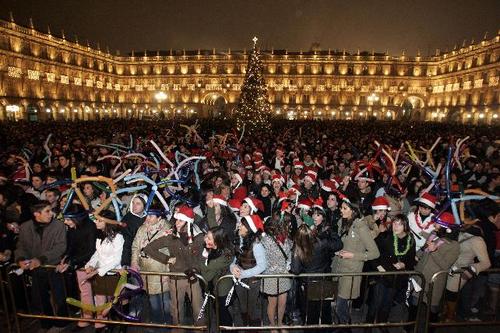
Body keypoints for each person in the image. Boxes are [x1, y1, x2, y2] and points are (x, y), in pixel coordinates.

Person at [143, 205, 205, 325]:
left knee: (198, 310)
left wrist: (197, 269)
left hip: (193, 278)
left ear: (188, 222)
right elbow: (149, 248)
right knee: (176, 310)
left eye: (180, 220)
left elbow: (202, 258)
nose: (176, 222)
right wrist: (166, 259)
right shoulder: (171, 236)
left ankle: (200, 329)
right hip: (176, 278)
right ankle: (178, 329)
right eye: (176, 219)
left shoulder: (199, 237)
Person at [15, 200, 68, 330]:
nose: (51, 214)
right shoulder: (25, 227)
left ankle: (63, 322)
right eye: (47, 211)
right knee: (39, 297)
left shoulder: (58, 226)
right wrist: (20, 259)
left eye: (51, 210)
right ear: (36, 214)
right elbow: (21, 247)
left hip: (53, 266)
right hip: (36, 269)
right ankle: (46, 322)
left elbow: (60, 247)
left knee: (59, 296)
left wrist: (41, 259)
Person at [333, 197, 380, 326]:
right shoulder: (342, 223)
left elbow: (374, 253)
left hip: (351, 272)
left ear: (353, 211)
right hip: (339, 269)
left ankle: (346, 327)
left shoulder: (361, 227)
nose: (341, 210)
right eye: (341, 208)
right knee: (339, 306)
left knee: (340, 307)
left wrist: (352, 255)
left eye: (344, 208)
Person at [410, 212, 460, 325]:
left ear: (446, 228)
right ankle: (409, 328)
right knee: (414, 303)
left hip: (434, 281)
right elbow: (424, 249)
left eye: (437, 223)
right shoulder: (434, 234)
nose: (434, 225)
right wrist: (417, 255)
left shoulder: (454, 245)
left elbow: (446, 265)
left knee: (432, 308)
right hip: (421, 276)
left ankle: (431, 328)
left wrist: (435, 251)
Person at [290, 223, 342, 330]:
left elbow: (295, 270)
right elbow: (339, 244)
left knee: (310, 315)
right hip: (325, 281)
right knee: (325, 312)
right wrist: (330, 232)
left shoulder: (298, 248)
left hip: (309, 284)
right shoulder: (322, 243)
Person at [366, 214, 416, 325]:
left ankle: (382, 323)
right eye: (394, 223)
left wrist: (404, 264)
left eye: (399, 224)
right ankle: (368, 325)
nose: (396, 226)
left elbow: (412, 260)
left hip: (396, 278)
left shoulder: (410, 240)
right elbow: (371, 252)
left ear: (405, 226)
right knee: (375, 302)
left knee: (387, 303)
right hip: (382, 275)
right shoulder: (384, 236)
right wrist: (378, 267)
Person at [57, 204, 97, 330]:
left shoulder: (90, 227)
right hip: (78, 263)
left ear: (77, 218)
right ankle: (87, 315)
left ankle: (102, 318)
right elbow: (71, 245)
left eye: (68, 219)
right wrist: (66, 257)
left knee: (97, 293)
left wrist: (72, 261)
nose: (66, 222)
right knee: (84, 291)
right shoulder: (73, 228)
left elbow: (91, 250)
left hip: (91, 263)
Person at [83, 210, 124, 331]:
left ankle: (122, 327)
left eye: (99, 220)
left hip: (114, 275)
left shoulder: (118, 237)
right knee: (103, 302)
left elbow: (117, 259)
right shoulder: (101, 235)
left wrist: (98, 270)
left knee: (115, 304)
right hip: (102, 275)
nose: (96, 222)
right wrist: (90, 264)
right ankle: (108, 326)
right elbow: (97, 254)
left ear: (107, 222)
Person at [131, 207, 172, 324]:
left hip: (161, 271)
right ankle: (157, 322)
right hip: (147, 271)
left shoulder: (167, 230)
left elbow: (172, 253)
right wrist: (134, 262)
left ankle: (167, 323)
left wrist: (168, 273)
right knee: (153, 300)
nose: (147, 218)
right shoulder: (142, 229)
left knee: (165, 302)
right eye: (147, 215)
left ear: (159, 218)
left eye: (151, 216)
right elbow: (135, 247)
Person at [444, 223, 490, 321]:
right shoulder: (459, 232)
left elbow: (486, 263)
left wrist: (471, 270)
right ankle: (447, 313)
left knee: (451, 293)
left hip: (461, 271)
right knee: (448, 294)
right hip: (449, 268)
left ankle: (450, 316)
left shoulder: (478, 240)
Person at [230, 214, 267, 326]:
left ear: (249, 228)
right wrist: (232, 267)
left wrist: (244, 273)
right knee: (242, 305)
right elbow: (234, 258)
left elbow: (262, 266)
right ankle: (245, 324)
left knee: (251, 306)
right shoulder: (239, 239)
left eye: (242, 225)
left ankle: (251, 326)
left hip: (252, 281)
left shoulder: (256, 244)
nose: (239, 226)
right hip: (240, 280)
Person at [260, 213, 293, 332]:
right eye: (286, 223)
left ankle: (280, 323)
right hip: (271, 275)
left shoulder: (287, 238)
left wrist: (288, 264)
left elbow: (289, 254)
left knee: (282, 303)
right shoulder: (266, 239)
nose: (288, 225)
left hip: (284, 274)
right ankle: (272, 325)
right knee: (272, 303)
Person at [200, 226, 235, 326]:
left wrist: (203, 259)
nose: (205, 239)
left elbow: (206, 277)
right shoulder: (215, 248)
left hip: (223, 290)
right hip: (216, 287)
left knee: (223, 315)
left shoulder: (222, 257)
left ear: (217, 241)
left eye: (209, 238)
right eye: (206, 236)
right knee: (218, 312)